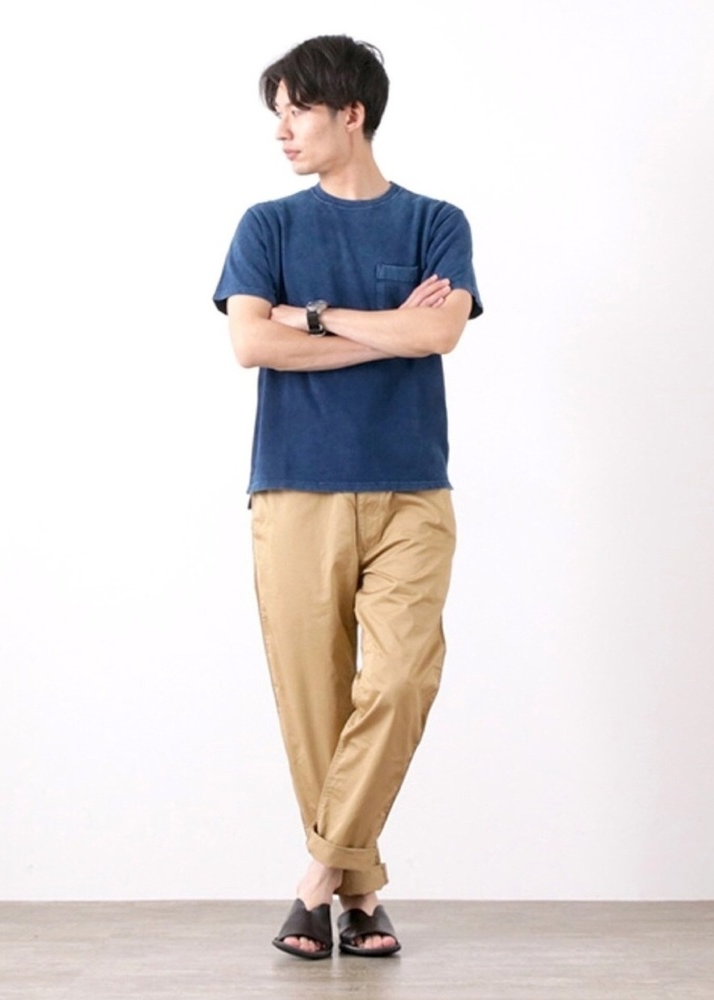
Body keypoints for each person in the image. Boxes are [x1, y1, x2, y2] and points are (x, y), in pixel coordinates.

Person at [213, 34, 483, 960]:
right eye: (278, 114)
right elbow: (253, 344)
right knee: (315, 704)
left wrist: (319, 317)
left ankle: (317, 880)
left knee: (400, 681)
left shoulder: (435, 222)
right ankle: (361, 897)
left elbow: (439, 334)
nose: (282, 130)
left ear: (351, 114)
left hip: (411, 492)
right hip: (294, 489)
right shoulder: (267, 226)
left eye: (297, 111)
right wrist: (388, 330)